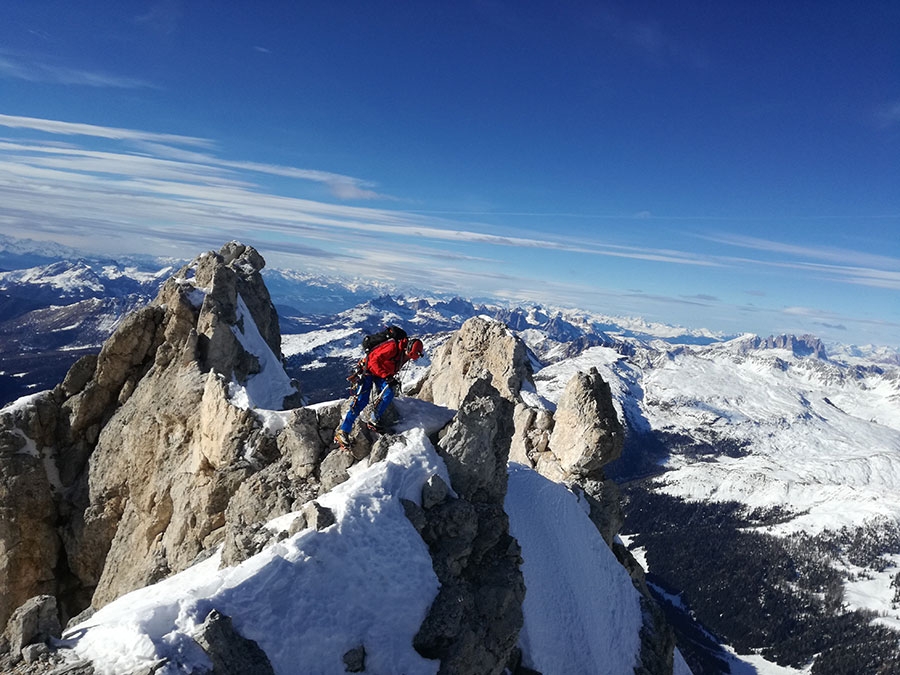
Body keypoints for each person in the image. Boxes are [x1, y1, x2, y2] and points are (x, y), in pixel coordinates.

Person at [334, 336, 424, 449]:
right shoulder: (393, 348)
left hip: (380, 373)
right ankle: (343, 431)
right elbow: (373, 361)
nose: (408, 357)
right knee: (361, 400)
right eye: (409, 355)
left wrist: (388, 377)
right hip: (367, 370)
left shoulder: (404, 354)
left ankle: (374, 419)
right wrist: (386, 376)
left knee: (389, 392)